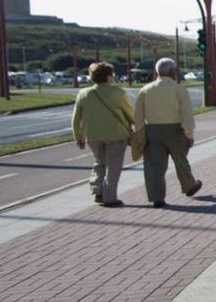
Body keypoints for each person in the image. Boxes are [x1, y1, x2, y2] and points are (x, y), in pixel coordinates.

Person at [135, 58, 202, 207]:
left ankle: (157, 197)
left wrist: (140, 133)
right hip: (175, 130)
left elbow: (138, 115)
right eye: (175, 69)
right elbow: (186, 115)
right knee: (180, 160)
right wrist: (189, 134)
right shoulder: (179, 89)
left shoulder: (146, 90)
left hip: (152, 130)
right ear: (172, 71)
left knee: (154, 166)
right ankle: (189, 185)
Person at [71, 62, 134, 207]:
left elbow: (76, 118)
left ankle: (97, 190)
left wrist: (78, 136)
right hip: (116, 135)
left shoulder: (83, 93)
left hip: (92, 135)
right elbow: (131, 113)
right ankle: (109, 197)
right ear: (108, 76)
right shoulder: (118, 93)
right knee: (114, 167)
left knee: (100, 162)